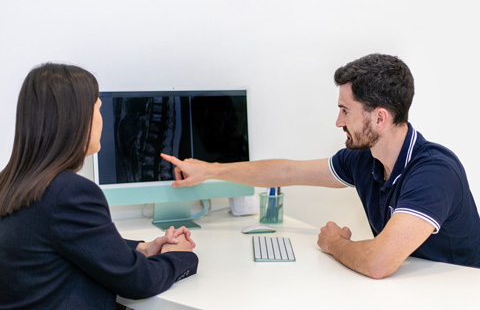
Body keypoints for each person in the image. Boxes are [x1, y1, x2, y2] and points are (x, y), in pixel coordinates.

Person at [160, 53, 480, 279]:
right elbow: (287, 172)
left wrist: (334, 244)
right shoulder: (363, 159)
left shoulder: (434, 173)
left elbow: (379, 263)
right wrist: (211, 170)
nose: (338, 121)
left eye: (345, 110)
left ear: (380, 118)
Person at [0, 63, 198, 309]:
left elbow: (67, 240)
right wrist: (180, 256)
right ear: (79, 118)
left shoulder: (10, 183)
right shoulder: (69, 192)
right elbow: (138, 282)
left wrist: (144, 248)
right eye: (98, 108)